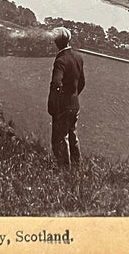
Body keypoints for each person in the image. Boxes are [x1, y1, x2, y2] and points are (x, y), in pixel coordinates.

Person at [47, 27, 85, 167]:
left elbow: (56, 83)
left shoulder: (60, 61)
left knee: (59, 139)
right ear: (68, 40)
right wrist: (72, 96)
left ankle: (64, 170)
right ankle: (77, 167)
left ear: (57, 42)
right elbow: (82, 83)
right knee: (73, 135)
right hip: (74, 105)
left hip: (62, 107)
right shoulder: (78, 57)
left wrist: (55, 103)